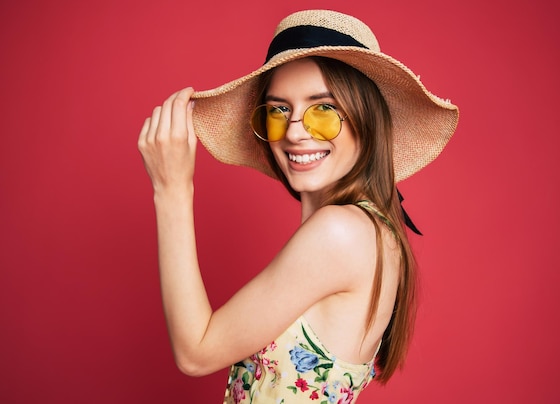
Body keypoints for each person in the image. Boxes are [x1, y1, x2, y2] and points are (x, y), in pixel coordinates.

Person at [138, 9, 458, 403]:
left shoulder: (339, 233)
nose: (293, 130)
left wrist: (171, 189)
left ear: (365, 119)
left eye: (323, 110)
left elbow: (195, 352)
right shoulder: (373, 229)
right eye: (278, 110)